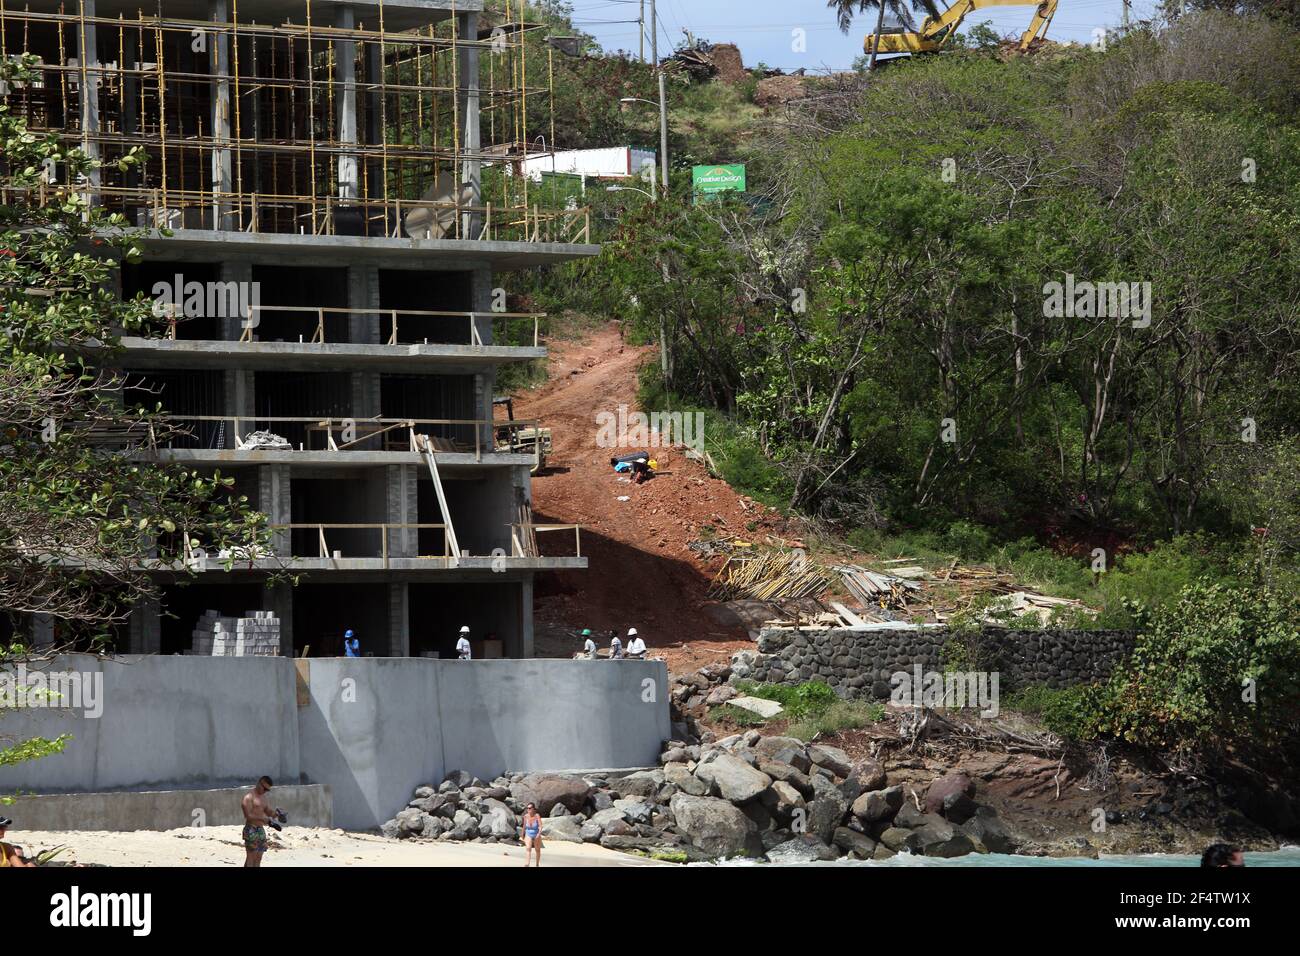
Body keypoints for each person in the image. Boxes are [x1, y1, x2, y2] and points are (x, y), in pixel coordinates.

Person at [241, 776, 284, 868]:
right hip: (251, 829)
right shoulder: (248, 797)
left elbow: (267, 810)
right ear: (259, 783)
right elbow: (248, 816)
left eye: (267, 790)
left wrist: (275, 814)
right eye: (264, 788)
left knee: (258, 858)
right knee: (250, 858)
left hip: (260, 829)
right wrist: (262, 818)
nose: (265, 791)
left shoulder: (263, 798)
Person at [520, 802, 543, 867]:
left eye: (530, 808)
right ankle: (527, 864)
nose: (528, 809)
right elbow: (524, 826)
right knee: (528, 848)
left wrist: (539, 834)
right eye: (527, 808)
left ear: (533, 809)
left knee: (537, 850)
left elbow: (540, 826)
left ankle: (537, 864)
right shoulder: (526, 816)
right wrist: (522, 835)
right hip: (528, 833)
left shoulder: (537, 815)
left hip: (536, 834)